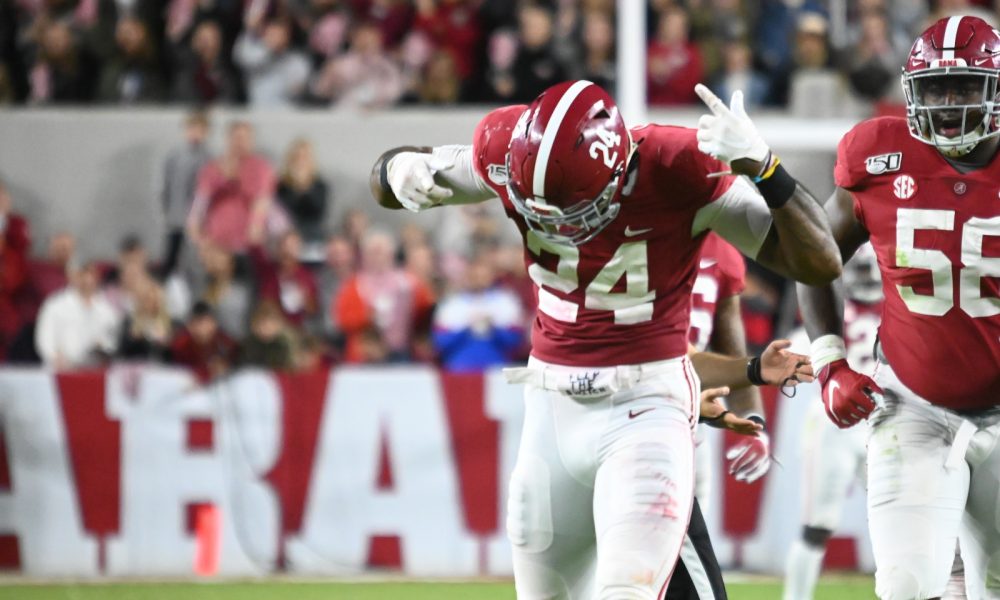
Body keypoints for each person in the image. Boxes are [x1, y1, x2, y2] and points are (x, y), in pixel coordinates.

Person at [370, 79, 840, 598]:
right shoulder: (504, 148)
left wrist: (764, 167)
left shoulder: (679, 167)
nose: (561, 227)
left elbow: (818, 263)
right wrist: (400, 170)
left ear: (620, 171)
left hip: (648, 406)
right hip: (550, 404)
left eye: (573, 211)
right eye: (540, 210)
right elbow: (386, 182)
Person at [793, 16, 1000, 600]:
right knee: (908, 586)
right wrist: (831, 360)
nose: (948, 104)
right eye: (935, 88)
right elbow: (814, 257)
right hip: (913, 406)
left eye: (963, 88)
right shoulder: (879, 155)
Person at [782, 244, 882, 600]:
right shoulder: (893, 316)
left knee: (821, 526)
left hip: (849, 422)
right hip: (858, 422)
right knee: (819, 525)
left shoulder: (828, 315)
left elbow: (791, 355)